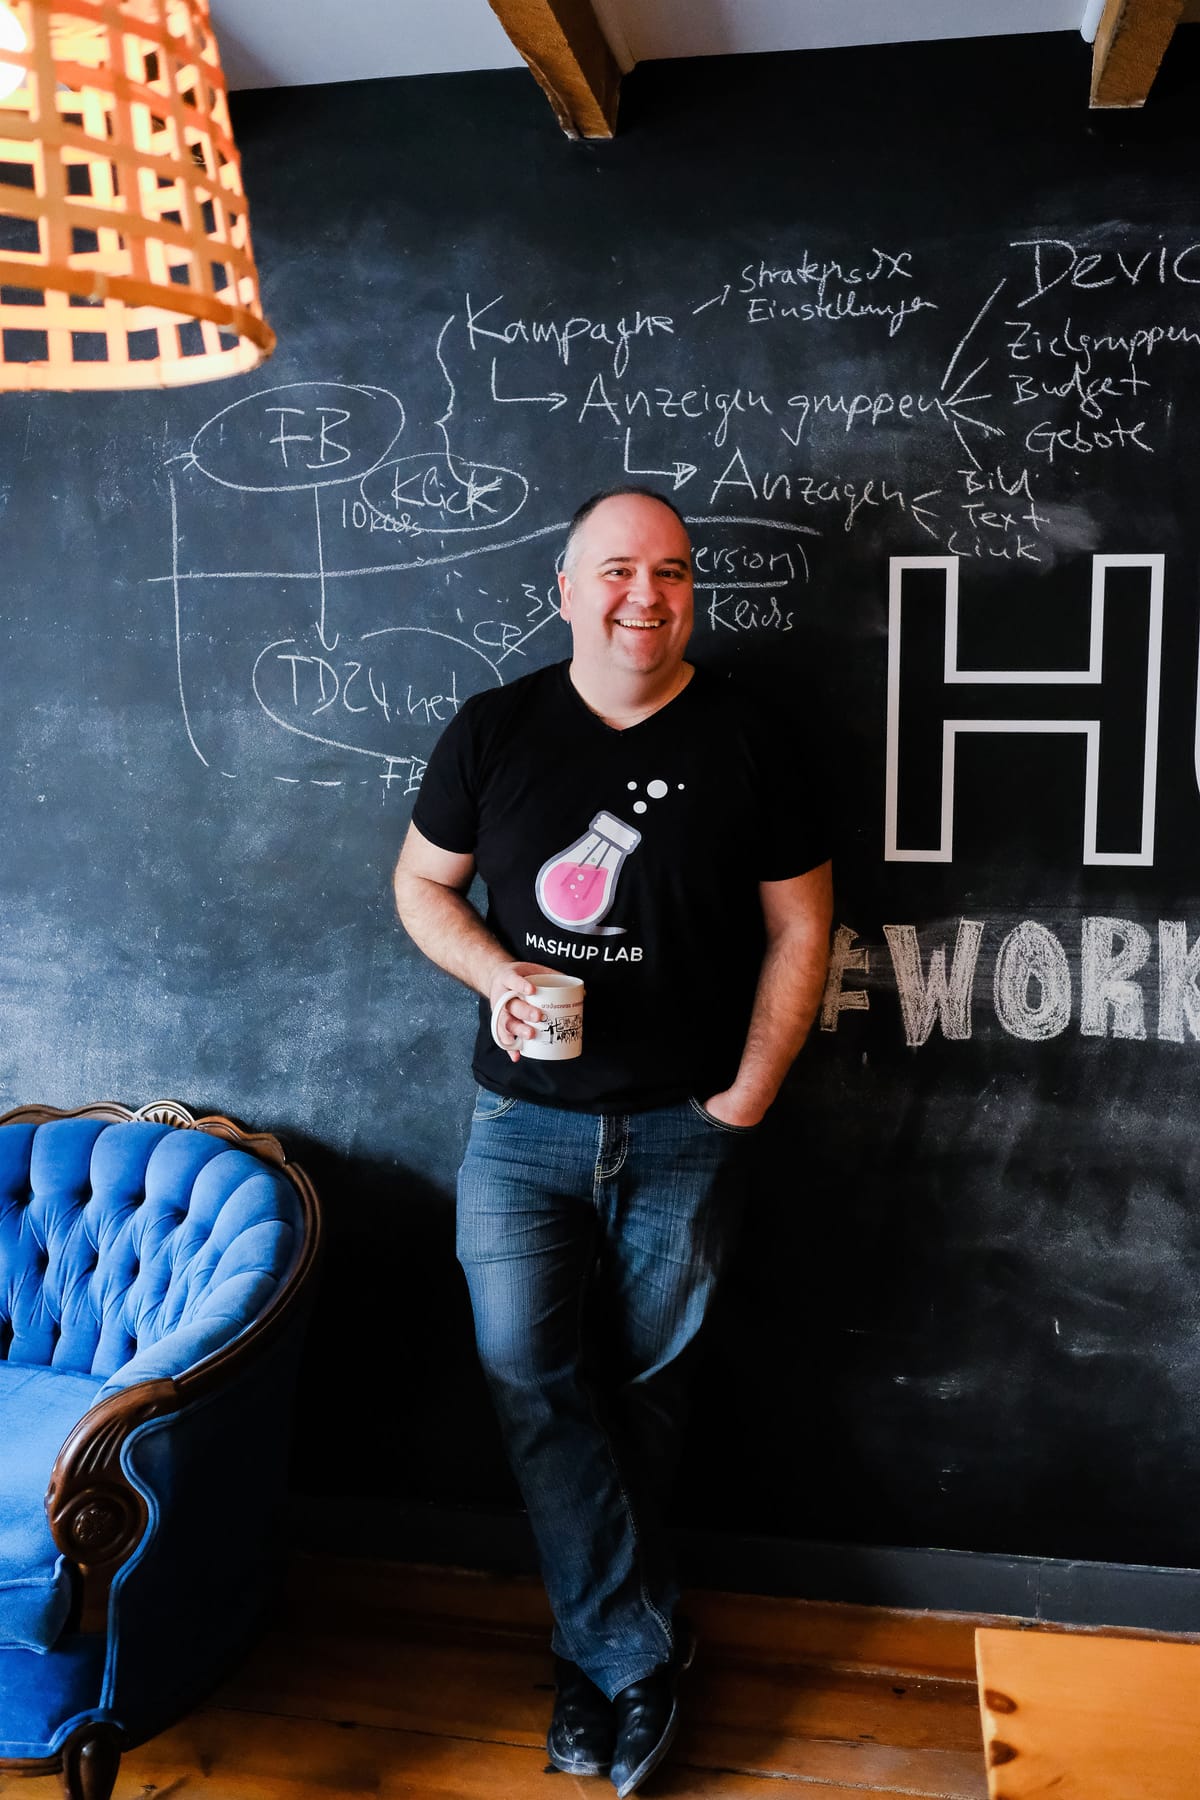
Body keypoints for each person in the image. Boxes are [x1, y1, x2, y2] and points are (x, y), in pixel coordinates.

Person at [393, 488, 832, 1796]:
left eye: (674, 573)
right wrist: (497, 976)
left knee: (645, 1390)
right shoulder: (495, 728)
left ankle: (594, 1669)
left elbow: (802, 927)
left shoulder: (752, 735)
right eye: (620, 570)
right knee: (526, 1370)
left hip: (688, 1128)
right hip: (519, 1126)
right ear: (568, 589)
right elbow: (421, 884)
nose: (648, 595)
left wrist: (746, 1096)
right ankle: (639, 1653)